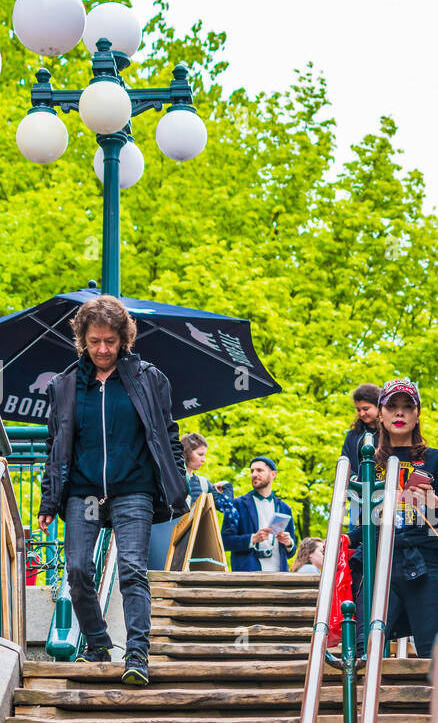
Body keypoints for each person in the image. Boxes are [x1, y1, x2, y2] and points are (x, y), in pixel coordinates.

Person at [37, 294, 188, 686]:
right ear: (82, 341)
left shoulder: (148, 379)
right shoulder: (66, 385)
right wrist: (49, 500)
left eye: (110, 341)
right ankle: (98, 643)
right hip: (84, 491)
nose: (102, 349)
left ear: (123, 339)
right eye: (94, 341)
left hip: (133, 488)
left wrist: (178, 484)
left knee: (133, 569)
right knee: (78, 567)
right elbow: (56, 445)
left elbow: (167, 435)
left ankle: (137, 653)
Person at [349, 378, 438, 657]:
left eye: (407, 406)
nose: (399, 413)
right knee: (364, 649)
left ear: (417, 415)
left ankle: (436, 701)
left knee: (433, 653)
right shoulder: (367, 462)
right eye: (392, 406)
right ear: (380, 413)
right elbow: (357, 521)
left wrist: (435, 505)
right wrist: (341, 543)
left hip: (425, 561)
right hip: (376, 558)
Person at [221, 455, 296, 572]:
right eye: (252, 471)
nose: (254, 474)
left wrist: (289, 543)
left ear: (273, 474)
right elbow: (225, 541)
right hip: (248, 575)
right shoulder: (237, 505)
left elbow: (291, 552)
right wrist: (253, 538)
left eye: (259, 470)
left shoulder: (285, 508)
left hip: (279, 576)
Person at [181, 432, 233, 510]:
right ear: (186, 453)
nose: (204, 460)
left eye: (204, 455)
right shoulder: (170, 479)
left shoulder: (203, 484)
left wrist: (226, 486)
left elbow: (226, 507)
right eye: (200, 454)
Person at [341, 383, 381, 473]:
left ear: (379, 407)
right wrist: (353, 478)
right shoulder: (353, 435)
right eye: (358, 410)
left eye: (366, 409)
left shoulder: (392, 432)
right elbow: (344, 463)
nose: (362, 413)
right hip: (358, 485)